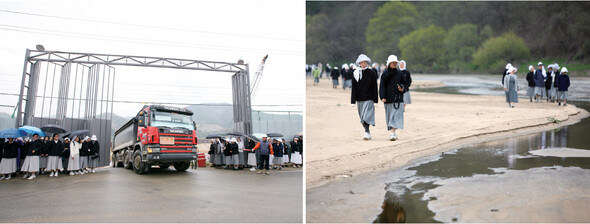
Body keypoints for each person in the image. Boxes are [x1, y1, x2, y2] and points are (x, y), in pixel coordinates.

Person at [379, 55, 407, 141]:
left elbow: (405, 84)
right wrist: (382, 97)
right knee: (390, 117)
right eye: (393, 62)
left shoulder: (400, 73)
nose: (394, 64)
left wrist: (402, 88)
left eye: (395, 62)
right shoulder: (384, 74)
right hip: (387, 99)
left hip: (398, 99)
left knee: (395, 116)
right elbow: (382, 86)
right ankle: (393, 132)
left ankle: (393, 133)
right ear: (389, 63)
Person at [351, 54, 379, 140]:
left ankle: (366, 132)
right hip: (359, 98)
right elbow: (354, 88)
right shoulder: (355, 73)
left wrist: (375, 100)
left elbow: (375, 87)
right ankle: (367, 131)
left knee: (367, 116)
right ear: (359, 63)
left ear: (367, 63)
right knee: (362, 117)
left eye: (365, 62)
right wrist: (353, 101)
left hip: (369, 98)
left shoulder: (372, 73)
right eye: (361, 63)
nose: (363, 64)